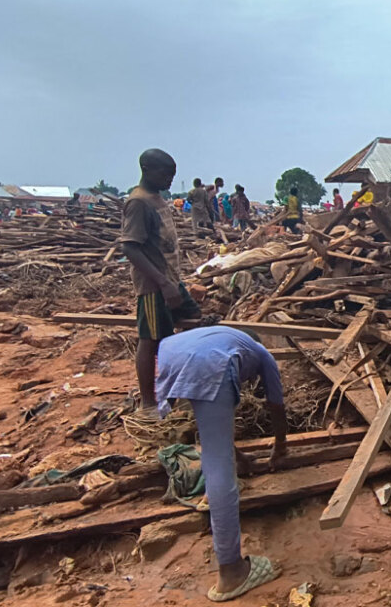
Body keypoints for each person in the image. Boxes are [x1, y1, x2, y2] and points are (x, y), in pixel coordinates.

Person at [155, 326, 286, 601]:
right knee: (219, 465)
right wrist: (280, 447)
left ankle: (210, 496)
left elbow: (210, 421)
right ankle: (232, 571)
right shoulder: (261, 353)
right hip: (207, 363)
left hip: (172, 355)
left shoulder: (222, 338)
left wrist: (240, 457)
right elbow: (276, 405)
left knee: (215, 446)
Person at [119, 148, 202, 410]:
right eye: (166, 174)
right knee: (152, 339)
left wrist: (173, 282)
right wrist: (162, 283)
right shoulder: (138, 202)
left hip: (171, 280)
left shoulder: (156, 198)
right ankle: (148, 402)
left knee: (195, 323)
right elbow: (130, 248)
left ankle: (185, 388)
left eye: (172, 175)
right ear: (147, 170)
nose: (169, 180)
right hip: (154, 286)